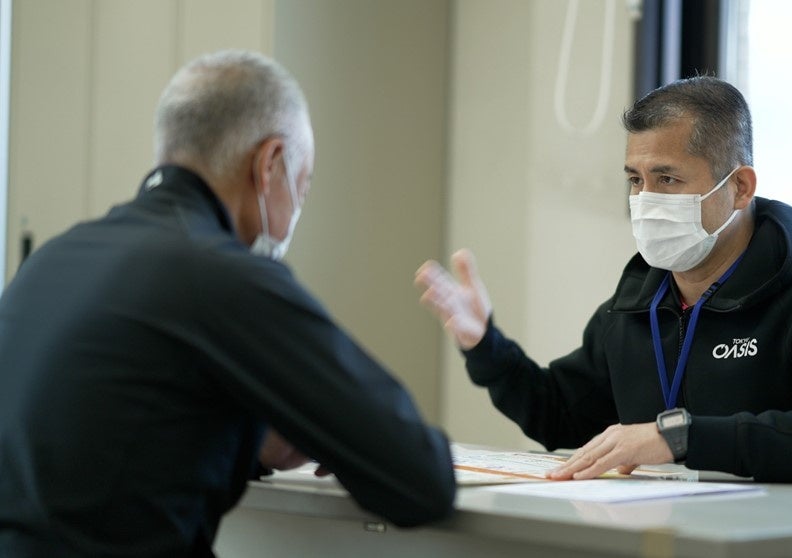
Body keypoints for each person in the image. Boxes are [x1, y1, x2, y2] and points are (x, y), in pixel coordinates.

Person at [0, 50, 454, 557]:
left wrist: (252, 437)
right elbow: (422, 479)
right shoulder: (225, 278)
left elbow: (115, 440)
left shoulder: (51, 262)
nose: (296, 211)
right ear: (270, 163)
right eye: (302, 188)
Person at [416, 76, 792, 484]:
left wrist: (681, 437)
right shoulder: (636, 303)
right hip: (657, 535)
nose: (645, 199)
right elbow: (562, 416)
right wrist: (485, 345)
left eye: (666, 179)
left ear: (739, 187)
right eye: (634, 179)